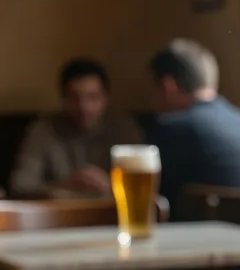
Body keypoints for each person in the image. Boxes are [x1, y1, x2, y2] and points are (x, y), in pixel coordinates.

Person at [146, 38, 240, 217]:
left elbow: (150, 204)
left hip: (212, 244)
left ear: (168, 87)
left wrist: (110, 189)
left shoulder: (172, 129)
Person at [7, 58, 143, 198]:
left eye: (92, 97)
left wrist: (110, 186)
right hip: (58, 217)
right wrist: (65, 185)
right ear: (63, 98)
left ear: (105, 98)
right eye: (74, 98)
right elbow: (19, 186)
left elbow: (140, 188)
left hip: (111, 216)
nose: (83, 107)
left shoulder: (124, 129)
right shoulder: (43, 130)